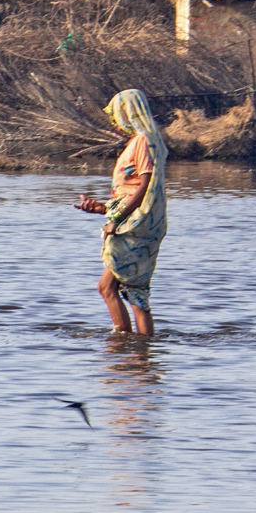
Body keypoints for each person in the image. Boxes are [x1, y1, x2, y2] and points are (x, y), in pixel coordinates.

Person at [73, 89, 168, 336]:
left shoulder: (142, 141)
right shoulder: (150, 141)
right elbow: (133, 189)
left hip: (133, 228)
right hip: (138, 223)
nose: (115, 124)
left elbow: (144, 187)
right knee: (132, 293)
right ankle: (139, 354)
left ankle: (128, 347)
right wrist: (103, 208)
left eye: (117, 116)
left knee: (113, 289)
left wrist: (115, 219)